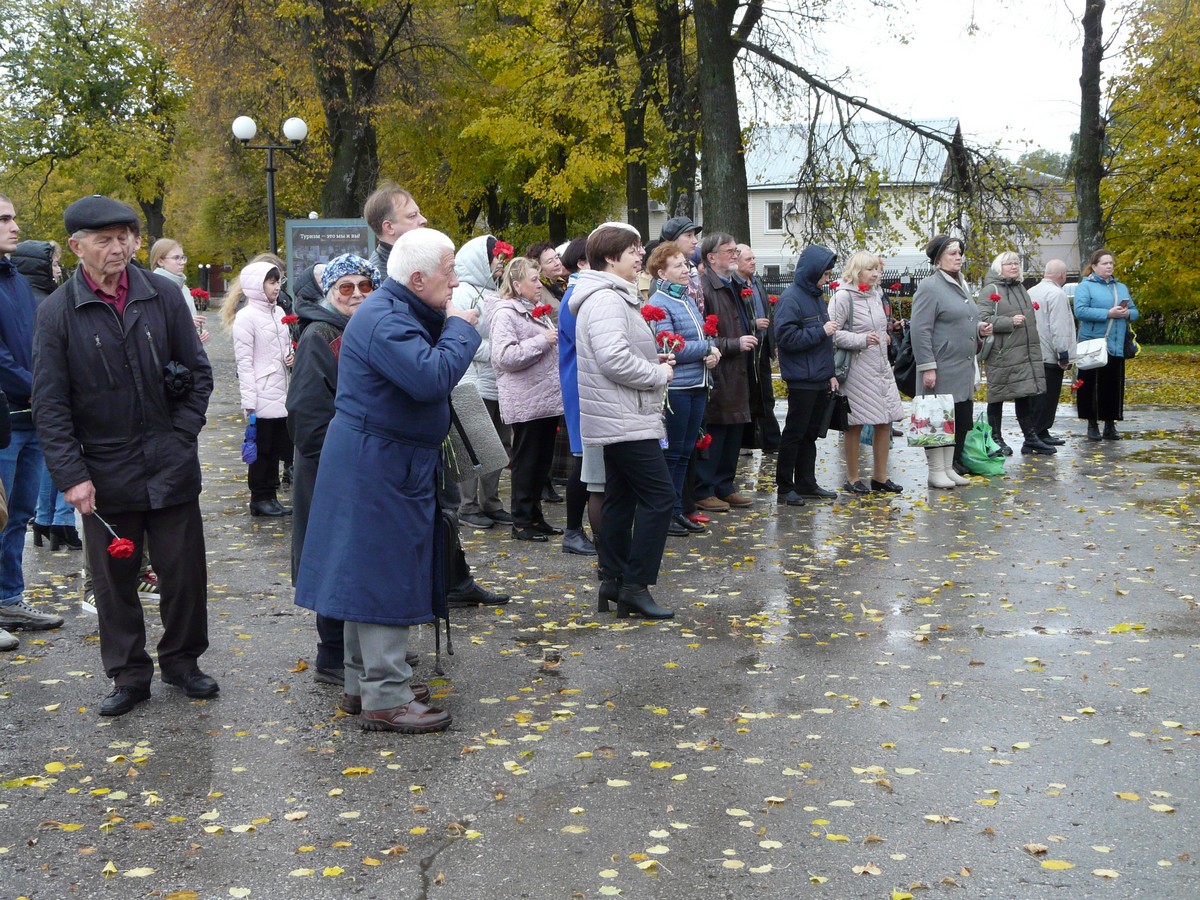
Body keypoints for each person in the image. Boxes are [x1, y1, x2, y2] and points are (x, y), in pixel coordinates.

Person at [33, 194, 214, 716]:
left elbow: (199, 374)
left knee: (183, 574)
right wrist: (71, 475)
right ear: (76, 247)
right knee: (115, 583)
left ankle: (183, 662)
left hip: (170, 458)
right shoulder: (57, 313)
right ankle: (129, 674)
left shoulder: (160, 294)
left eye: (125, 238)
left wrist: (181, 435)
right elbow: (50, 404)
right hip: (104, 469)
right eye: (105, 240)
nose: (119, 248)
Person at [294, 228, 481, 734]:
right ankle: (386, 694)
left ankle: (365, 684)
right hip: (378, 464)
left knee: (365, 572)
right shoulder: (386, 319)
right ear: (417, 278)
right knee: (381, 576)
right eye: (449, 272)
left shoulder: (393, 312)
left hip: (380, 460)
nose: (456, 281)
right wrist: (462, 328)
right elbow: (431, 377)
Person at [571, 222, 674, 619]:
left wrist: (651, 361)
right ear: (611, 258)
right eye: (633, 250)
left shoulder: (605, 295)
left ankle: (613, 580)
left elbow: (612, 354)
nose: (640, 256)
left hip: (617, 414)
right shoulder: (607, 299)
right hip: (624, 417)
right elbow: (613, 360)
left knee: (620, 497)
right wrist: (657, 374)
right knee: (659, 497)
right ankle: (634, 584)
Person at [287, 254, 379, 687]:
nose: (357, 294)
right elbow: (306, 412)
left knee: (356, 555)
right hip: (329, 466)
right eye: (347, 287)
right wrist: (339, 462)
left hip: (359, 464)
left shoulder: (364, 330)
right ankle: (332, 653)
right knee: (332, 556)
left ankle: (366, 648)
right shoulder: (319, 336)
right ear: (330, 293)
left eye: (365, 286)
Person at [0, 195, 65, 642]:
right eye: (4, 219)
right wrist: (42, 386)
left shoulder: (15, 278)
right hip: (4, 417)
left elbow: (37, 342)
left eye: (14, 218)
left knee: (20, 514)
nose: (15, 227)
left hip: (31, 417)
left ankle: (9, 600)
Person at [486, 257, 565, 541]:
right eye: (533, 279)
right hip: (526, 400)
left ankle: (534, 516)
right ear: (516, 284)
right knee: (526, 461)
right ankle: (521, 521)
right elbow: (505, 356)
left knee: (541, 462)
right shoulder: (506, 313)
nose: (538, 284)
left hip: (544, 398)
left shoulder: (532, 311)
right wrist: (543, 340)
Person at [645, 241, 720, 535]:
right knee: (674, 452)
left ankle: (678, 509)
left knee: (687, 450)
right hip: (677, 387)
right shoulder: (660, 302)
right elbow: (668, 345)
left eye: (685, 265)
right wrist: (708, 348)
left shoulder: (687, 299)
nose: (685, 270)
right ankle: (669, 511)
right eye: (677, 265)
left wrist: (710, 354)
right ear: (661, 272)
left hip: (698, 383)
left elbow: (696, 339)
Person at [12, 239, 80, 548]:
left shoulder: (31, 295)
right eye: (52, 264)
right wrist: (38, 388)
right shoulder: (41, 300)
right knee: (57, 459)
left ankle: (48, 520)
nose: (56, 270)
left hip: (32, 396)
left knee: (44, 467)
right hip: (23, 402)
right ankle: (57, 521)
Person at [911, 235, 991, 488]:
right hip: (941, 366)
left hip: (962, 366)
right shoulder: (930, 286)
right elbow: (920, 329)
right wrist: (927, 366)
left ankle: (948, 468)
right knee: (937, 418)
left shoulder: (961, 284)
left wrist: (979, 329)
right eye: (952, 253)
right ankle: (936, 470)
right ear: (938, 259)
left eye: (959, 253)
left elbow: (962, 319)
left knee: (954, 419)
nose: (958, 257)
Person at [224, 261, 295, 516]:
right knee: (261, 448)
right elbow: (244, 362)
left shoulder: (278, 313)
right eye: (271, 282)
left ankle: (271, 495)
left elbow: (282, 346)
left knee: (277, 446)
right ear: (257, 285)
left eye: (278, 282)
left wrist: (290, 357)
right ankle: (260, 497)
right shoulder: (246, 317)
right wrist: (249, 402)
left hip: (282, 389)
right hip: (262, 391)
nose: (276, 287)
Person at [694, 232, 758, 511]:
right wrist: (735, 343)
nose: (735, 255)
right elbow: (700, 335)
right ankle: (704, 488)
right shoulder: (704, 288)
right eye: (729, 251)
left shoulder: (734, 284)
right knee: (717, 431)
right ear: (711, 257)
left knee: (733, 430)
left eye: (735, 251)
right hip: (719, 371)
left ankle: (724, 485)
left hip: (738, 372)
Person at [453, 235, 514, 530]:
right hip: (472, 381)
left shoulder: (496, 292)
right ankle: (468, 505)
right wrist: (499, 352)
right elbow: (462, 338)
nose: (500, 264)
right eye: (496, 258)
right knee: (473, 446)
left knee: (498, 445)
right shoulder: (463, 293)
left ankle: (491, 501)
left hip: (498, 379)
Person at [830, 252, 904, 493]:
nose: (876, 274)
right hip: (856, 370)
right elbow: (832, 333)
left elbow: (880, 326)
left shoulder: (875, 295)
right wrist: (862, 339)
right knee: (855, 424)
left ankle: (880, 477)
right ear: (856, 271)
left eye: (877, 270)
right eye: (870, 270)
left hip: (880, 368)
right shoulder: (843, 297)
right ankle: (852, 478)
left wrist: (886, 337)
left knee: (885, 421)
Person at [774, 246, 839, 504]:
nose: (827, 280)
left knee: (810, 434)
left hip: (818, 378)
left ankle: (806, 482)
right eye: (824, 275)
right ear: (813, 272)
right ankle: (784, 486)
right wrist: (821, 331)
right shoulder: (791, 299)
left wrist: (831, 374)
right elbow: (786, 338)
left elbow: (824, 344)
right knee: (795, 433)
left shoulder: (813, 296)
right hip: (801, 379)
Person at [978, 252, 1052, 455]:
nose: (1013, 266)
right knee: (997, 396)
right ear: (998, 267)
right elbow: (982, 319)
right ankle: (995, 438)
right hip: (1002, 354)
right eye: (1008, 263)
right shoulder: (990, 290)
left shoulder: (1020, 288)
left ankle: (1030, 439)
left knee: (1024, 395)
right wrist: (1009, 322)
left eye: (1016, 263)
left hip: (1023, 353)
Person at [555, 237, 601, 556]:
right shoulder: (575, 298)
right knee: (584, 462)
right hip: (581, 386)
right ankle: (572, 531)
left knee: (589, 462)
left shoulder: (581, 293)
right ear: (582, 263)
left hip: (586, 384)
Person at [1074, 248, 1138, 441]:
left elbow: (1135, 311)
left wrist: (1127, 313)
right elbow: (1080, 311)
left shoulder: (1121, 287)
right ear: (1094, 266)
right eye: (1105, 263)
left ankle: (1111, 424)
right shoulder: (1085, 286)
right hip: (1094, 344)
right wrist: (1108, 313)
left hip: (1116, 344)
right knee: (1091, 385)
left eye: (1111, 263)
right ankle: (1092, 424)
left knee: (1113, 385)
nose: (1109, 266)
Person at [735, 243, 781, 453]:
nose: (753, 262)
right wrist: (753, 324)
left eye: (754, 258)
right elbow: (735, 318)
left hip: (762, 346)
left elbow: (768, 315)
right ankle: (748, 440)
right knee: (750, 395)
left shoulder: (757, 282)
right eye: (748, 259)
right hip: (745, 348)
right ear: (736, 261)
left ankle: (770, 440)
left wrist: (773, 344)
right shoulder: (734, 285)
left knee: (766, 394)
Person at [1028, 259, 1074, 444]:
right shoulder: (1057, 294)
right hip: (1050, 354)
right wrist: (1063, 354)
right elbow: (1059, 327)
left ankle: (1035, 431)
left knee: (1036, 396)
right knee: (1049, 396)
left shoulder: (1030, 291)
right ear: (1062, 275)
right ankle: (1041, 431)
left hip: (1033, 352)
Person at [149, 238, 209, 344]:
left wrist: (198, 334)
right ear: (160, 261)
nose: (182, 263)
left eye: (183, 258)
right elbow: (153, 328)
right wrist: (187, 324)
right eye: (176, 258)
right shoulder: (153, 288)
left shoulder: (184, 288)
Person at [365, 182, 427, 274]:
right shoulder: (379, 278)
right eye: (413, 216)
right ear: (389, 227)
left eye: (419, 213)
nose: (424, 220)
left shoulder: (411, 261)